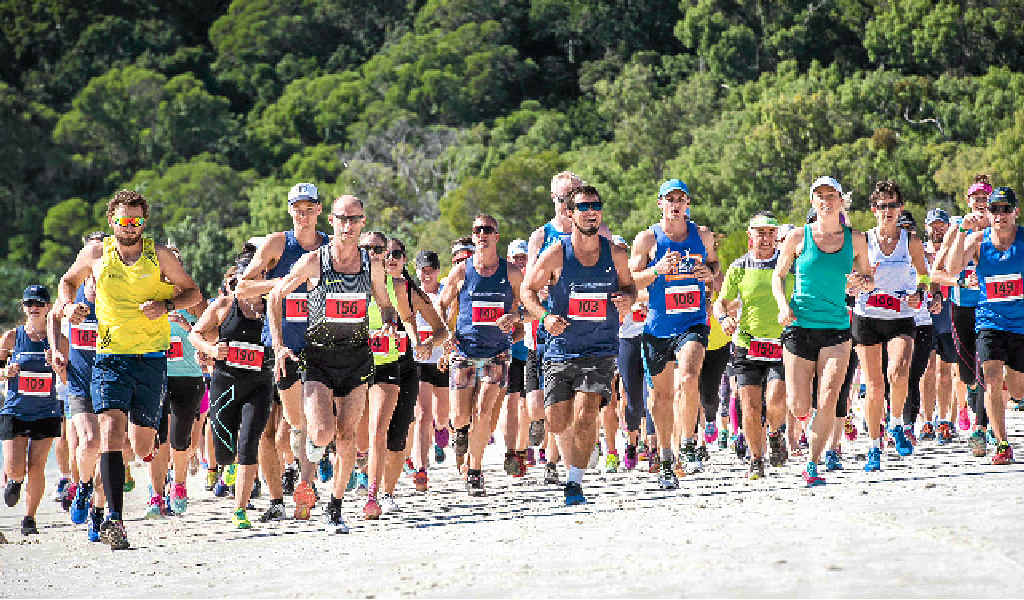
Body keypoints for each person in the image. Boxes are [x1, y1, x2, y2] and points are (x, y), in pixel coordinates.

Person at [55, 189, 201, 549]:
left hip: (151, 360)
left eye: (137, 220)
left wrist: (166, 304)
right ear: (112, 220)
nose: (131, 226)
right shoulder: (96, 253)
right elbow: (67, 282)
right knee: (110, 436)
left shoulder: (160, 255)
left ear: (144, 223)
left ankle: (99, 497)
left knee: (139, 444)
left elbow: (193, 293)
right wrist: (66, 305)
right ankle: (112, 519)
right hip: (110, 358)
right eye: (124, 220)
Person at [268, 195, 404, 534]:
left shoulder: (371, 265)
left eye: (353, 220)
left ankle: (335, 507)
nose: (347, 226)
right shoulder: (315, 261)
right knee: (323, 431)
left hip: (356, 356)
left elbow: (385, 305)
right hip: (318, 356)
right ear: (331, 221)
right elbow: (275, 296)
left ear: (362, 222)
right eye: (341, 220)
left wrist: (389, 322)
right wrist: (280, 347)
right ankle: (309, 468)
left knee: (347, 438)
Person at [522, 185, 634, 505]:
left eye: (595, 205)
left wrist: (627, 299)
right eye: (583, 207)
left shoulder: (615, 253)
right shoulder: (556, 253)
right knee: (556, 420)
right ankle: (581, 452)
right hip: (561, 348)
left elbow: (630, 287)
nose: (590, 211)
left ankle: (575, 481)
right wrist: (543, 317)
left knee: (586, 414)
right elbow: (528, 290)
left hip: (601, 347)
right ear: (570, 214)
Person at [773, 176, 873, 486]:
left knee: (828, 398)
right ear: (813, 202)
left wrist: (862, 282)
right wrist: (782, 305)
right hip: (800, 326)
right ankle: (808, 429)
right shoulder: (797, 238)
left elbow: (868, 277)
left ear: (841, 201)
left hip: (837, 328)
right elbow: (778, 276)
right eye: (820, 196)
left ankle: (813, 463)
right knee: (799, 405)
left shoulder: (855, 240)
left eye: (831, 195)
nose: (826, 201)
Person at [235, 182, 329, 504]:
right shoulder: (277, 244)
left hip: (319, 346)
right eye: (297, 209)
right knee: (292, 422)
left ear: (319, 210)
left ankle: (306, 483)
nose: (303, 215)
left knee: (316, 419)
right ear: (290, 210)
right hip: (280, 346)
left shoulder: (329, 248)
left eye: (309, 209)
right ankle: (289, 475)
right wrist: (285, 283)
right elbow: (242, 288)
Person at [629, 178, 719, 489]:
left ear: (688, 204)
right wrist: (656, 270)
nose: (676, 204)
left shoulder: (702, 235)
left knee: (689, 375)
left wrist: (710, 274)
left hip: (692, 322)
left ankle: (689, 442)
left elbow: (714, 265)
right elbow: (630, 282)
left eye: (681, 198)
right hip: (657, 328)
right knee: (661, 397)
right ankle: (666, 458)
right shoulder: (646, 240)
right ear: (661, 204)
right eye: (670, 199)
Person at [439, 214, 524, 496]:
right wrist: (445, 336)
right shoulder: (462, 271)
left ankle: (475, 471)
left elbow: (526, 305)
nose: (483, 234)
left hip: (497, 353)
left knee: (483, 411)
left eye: (488, 230)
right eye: (478, 230)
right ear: (473, 236)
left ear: (497, 236)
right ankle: (459, 432)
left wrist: (513, 317)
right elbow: (441, 303)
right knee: (460, 415)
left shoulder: (511, 272)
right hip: (464, 350)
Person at [190, 245, 274, 528]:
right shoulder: (225, 306)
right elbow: (195, 335)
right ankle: (227, 468)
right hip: (226, 382)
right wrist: (212, 351)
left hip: (260, 383)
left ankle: (240, 508)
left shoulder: (273, 306)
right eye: (242, 279)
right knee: (225, 449)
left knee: (249, 442)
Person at [851, 182, 931, 471]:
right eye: (882, 206)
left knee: (898, 373)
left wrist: (920, 293)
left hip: (900, 318)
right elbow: (848, 279)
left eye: (892, 205)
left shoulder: (911, 242)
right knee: (873, 387)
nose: (887, 211)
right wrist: (855, 283)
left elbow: (924, 276)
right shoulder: (862, 240)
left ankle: (896, 422)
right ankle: (874, 445)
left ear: (900, 208)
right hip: (868, 318)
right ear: (874, 210)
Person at [942, 186, 1022, 464]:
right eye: (995, 209)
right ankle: (1002, 444)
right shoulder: (977, 240)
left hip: (1020, 325)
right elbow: (951, 269)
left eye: (1005, 209)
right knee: (990, 379)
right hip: (989, 321)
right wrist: (962, 232)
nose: (1000, 215)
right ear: (988, 213)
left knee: (1017, 389)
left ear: (1015, 212)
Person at [714, 211, 794, 479]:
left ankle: (774, 434)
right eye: (760, 233)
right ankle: (756, 459)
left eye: (771, 233)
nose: (766, 238)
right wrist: (724, 318)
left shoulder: (787, 266)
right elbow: (720, 302)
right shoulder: (739, 267)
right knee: (749, 406)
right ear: (750, 236)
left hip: (780, 343)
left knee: (775, 399)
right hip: (747, 344)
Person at [48, 232, 107, 540]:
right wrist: (57, 349)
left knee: (112, 451)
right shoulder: (72, 296)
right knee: (89, 443)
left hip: (113, 382)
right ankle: (83, 486)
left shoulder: (116, 294)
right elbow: (52, 318)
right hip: (80, 382)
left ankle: (98, 512)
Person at [934, 175, 993, 455]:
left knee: (988, 368)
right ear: (967, 201)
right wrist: (954, 283)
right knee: (969, 373)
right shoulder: (956, 229)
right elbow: (935, 272)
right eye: (976, 199)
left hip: (991, 308)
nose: (981, 204)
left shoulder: (999, 228)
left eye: (985, 199)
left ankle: (982, 428)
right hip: (961, 307)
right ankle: (972, 392)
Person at [1, 285, 61, 535]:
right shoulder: (12, 337)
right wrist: (6, 372)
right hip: (15, 410)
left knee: (37, 467)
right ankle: (14, 481)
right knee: (16, 467)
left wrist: (56, 364)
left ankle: (29, 518)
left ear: (48, 307)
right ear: (23, 307)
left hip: (46, 411)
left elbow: (69, 376)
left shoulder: (56, 340)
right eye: (29, 303)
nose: (34, 307)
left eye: (39, 303)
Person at [410, 250, 450, 491]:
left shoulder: (445, 292)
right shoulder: (411, 294)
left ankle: (442, 428)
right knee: (423, 414)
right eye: (422, 270)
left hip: (442, 360)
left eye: (430, 270)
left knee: (442, 415)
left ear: (437, 271)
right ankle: (421, 468)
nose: (426, 275)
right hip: (420, 361)